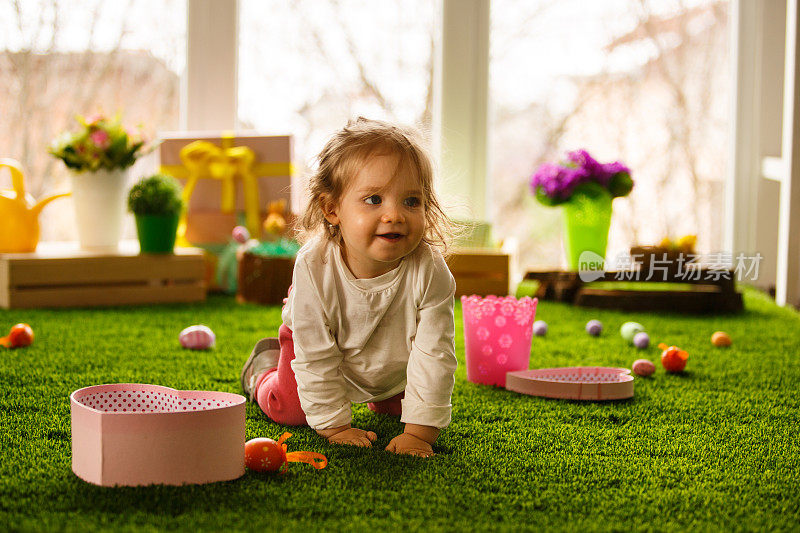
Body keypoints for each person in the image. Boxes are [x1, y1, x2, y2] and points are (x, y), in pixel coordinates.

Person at [240, 117, 457, 458]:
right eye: (374, 199)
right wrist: (335, 425)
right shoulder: (315, 266)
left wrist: (420, 433)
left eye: (411, 201)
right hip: (318, 347)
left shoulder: (429, 269)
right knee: (292, 410)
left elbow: (434, 354)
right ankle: (262, 370)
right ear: (332, 209)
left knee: (403, 410)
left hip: (391, 358)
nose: (394, 215)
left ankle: (381, 396)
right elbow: (316, 355)